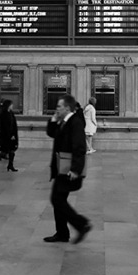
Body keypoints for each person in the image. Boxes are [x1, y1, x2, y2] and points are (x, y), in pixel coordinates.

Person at [43, 94, 92, 244]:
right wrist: (53, 120)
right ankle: (62, 233)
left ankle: (81, 224)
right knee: (59, 200)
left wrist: (76, 169)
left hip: (68, 170)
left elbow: (79, 147)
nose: (56, 109)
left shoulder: (75, 122)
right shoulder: (64, 122)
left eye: (59, 106)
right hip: (61, 168)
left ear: (67, 108)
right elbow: (52, 133)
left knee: (56, 199)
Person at [0, 99, 19, 171]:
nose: (12, 106)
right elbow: (5, 126)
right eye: (11, 105)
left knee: (10, 150)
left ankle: (10, 165)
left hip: (12, 135)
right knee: (7, 150)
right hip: (7, 136)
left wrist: (14, 134)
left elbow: (13, 125)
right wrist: (11, 135)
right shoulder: (4, 114)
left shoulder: (11, 113)